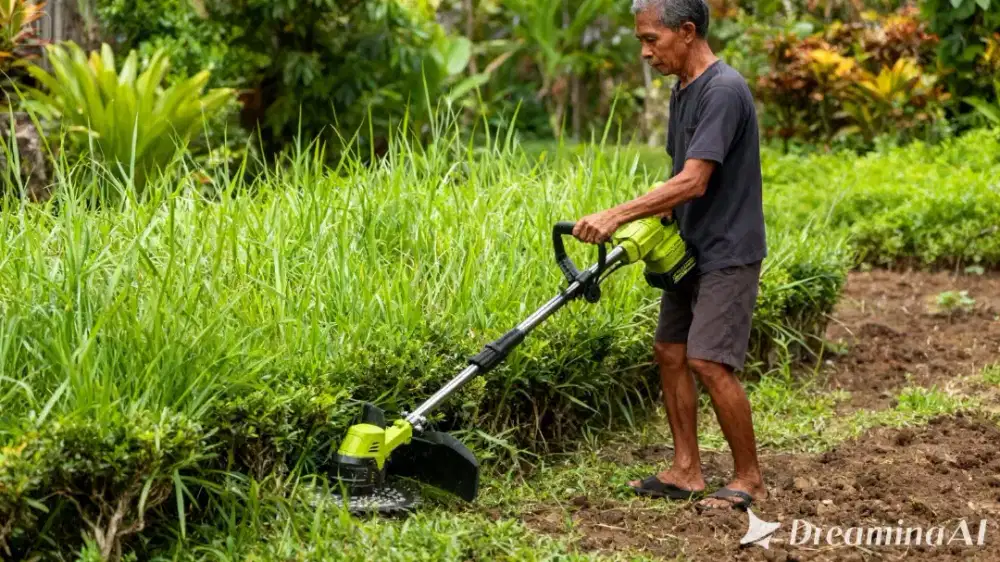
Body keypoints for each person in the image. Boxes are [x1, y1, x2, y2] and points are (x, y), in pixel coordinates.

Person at [571, 0, 767, 511]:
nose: (645, 51)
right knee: (671, 351)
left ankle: (749, 478)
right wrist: (657, 221)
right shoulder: (685, 91)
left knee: (708, 359)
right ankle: (686, 471)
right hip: (689, 246)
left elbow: (695, 180)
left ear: (686, 31)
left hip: (728, 249)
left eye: (650, 39)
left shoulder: (724, 90)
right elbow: (683, 173)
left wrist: (618, 215)